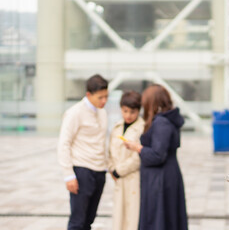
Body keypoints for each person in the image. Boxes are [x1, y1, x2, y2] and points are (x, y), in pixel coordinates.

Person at [124, 84, 188, 230]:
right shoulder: (168, 119)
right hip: (165, 176)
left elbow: (158, 155)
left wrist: (137, 148)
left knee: (158, 219)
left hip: (160, 179)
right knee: (166, 218)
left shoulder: (161, 122)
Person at [57, 74, 109, 230]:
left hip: (100, 172)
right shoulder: (75, 113)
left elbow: (101, 142)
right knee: (77, 221)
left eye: (106, 96)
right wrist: (68, 175)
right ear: (88, 95)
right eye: (100, 97)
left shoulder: (102, 112)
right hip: (82, 171)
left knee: (89, 220)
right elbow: (64, 143)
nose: (104, 101)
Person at [108, 91, 144, 230]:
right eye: (125, 111)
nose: (128, 115)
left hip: (133, 178)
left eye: (132, 112)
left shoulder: (143, 128)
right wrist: (112, 169)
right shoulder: (116, 127)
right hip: (118, 178)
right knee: (119, 218)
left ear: (139, 111)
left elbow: (139, 157)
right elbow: (110, 151)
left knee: (132, 218)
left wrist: (119, 170)